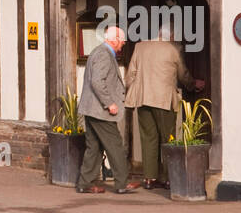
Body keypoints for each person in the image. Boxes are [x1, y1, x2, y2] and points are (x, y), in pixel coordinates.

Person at [124, 24, 203, 189]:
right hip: (164, 100)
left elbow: (130, 75)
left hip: (143, 98)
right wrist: (192, 84)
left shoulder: (140, 47)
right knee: (168, 138)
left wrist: (133, 91)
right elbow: (183, 74)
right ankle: (168, 178)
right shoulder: (173, 49)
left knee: (148, 138)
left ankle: (149, 178)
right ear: (171, 35)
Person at [77, 24, 140, 195]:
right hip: (100, 110)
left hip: (91, 109)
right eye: (122, 41)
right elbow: (97, 82)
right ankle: (122, 183)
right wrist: (109, 103)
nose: (123, 44)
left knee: (94, 147)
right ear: (114, 40)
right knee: (115, 146)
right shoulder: (104, 55)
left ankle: (85, 183)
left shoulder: (98, 52)